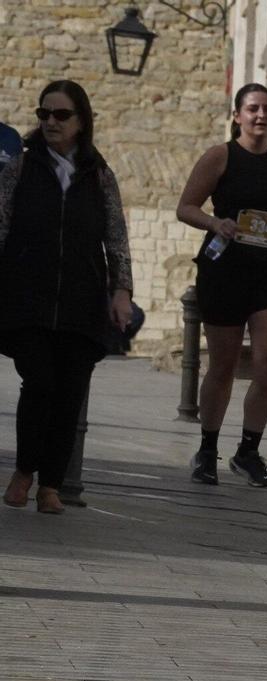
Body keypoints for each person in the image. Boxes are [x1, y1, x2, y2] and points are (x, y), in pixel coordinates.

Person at [176, 83, 267, 487]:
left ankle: (248, 451)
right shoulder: (220, 156)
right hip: (224, 269)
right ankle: (207, 448)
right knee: (223, 366)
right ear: (238, 115)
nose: (262, 115)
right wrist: (215, 223)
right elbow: (185, 207)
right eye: (254, 108)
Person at [0, 80, 133, 515]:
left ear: (81, 121)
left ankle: (51, 486)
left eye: (60, 115)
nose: (51, 122)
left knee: (70, 391)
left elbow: (116, 238)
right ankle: (24, 471)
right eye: (44, 114)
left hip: (81, 298)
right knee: (39, 381)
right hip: (28, 296)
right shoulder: (20, 168)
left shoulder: (99, 174)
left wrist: (121, 291)